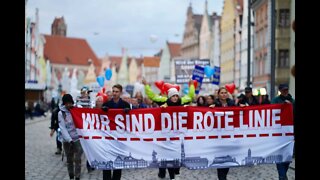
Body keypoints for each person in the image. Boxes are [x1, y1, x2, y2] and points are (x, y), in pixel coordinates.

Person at [101, 84, 131, 180]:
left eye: (116, 91)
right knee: (107, 160)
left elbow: (132, 119)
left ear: (120, 93)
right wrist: (103, 110)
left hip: (120, 138)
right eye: (113, 91)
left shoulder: (125, 105)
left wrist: (128, 112)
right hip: (108, 137)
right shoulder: (106, 104)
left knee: (118, 162)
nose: (114, 93)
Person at [210, 87, 236, 180]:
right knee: (220, 159)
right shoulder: (214, 104)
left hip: (229, 136)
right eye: (222, 93)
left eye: (225, 93)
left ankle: (223, 176)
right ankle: (222, 178)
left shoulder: (232, 104)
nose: (224, 94)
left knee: (227, 159)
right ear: (218, 94)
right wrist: (210, 109)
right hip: (218, 136)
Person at [271, 84, 295, 180]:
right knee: (279, 156)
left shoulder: (292, 101)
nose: (285, 91)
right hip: (278, 133)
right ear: (280, 90)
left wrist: (290, 106)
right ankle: (282, 176)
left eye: (286, 90)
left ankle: (283, 174)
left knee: (287, 156)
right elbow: (271, 110)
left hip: (289, 133)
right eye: (283, 90)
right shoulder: (276, 100)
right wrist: (283, 106)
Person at [59, 94, 83, 180]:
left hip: (77, 138)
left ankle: (77, 177)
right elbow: (63, 128)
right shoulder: (61, 113)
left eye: (70, 103)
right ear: (64, 104)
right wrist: (69, 140)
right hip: (67, 140)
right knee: (69, 160)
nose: (68, 105)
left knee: (77, 159)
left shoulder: (77, 109)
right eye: (66, 103)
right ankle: (71, 176)